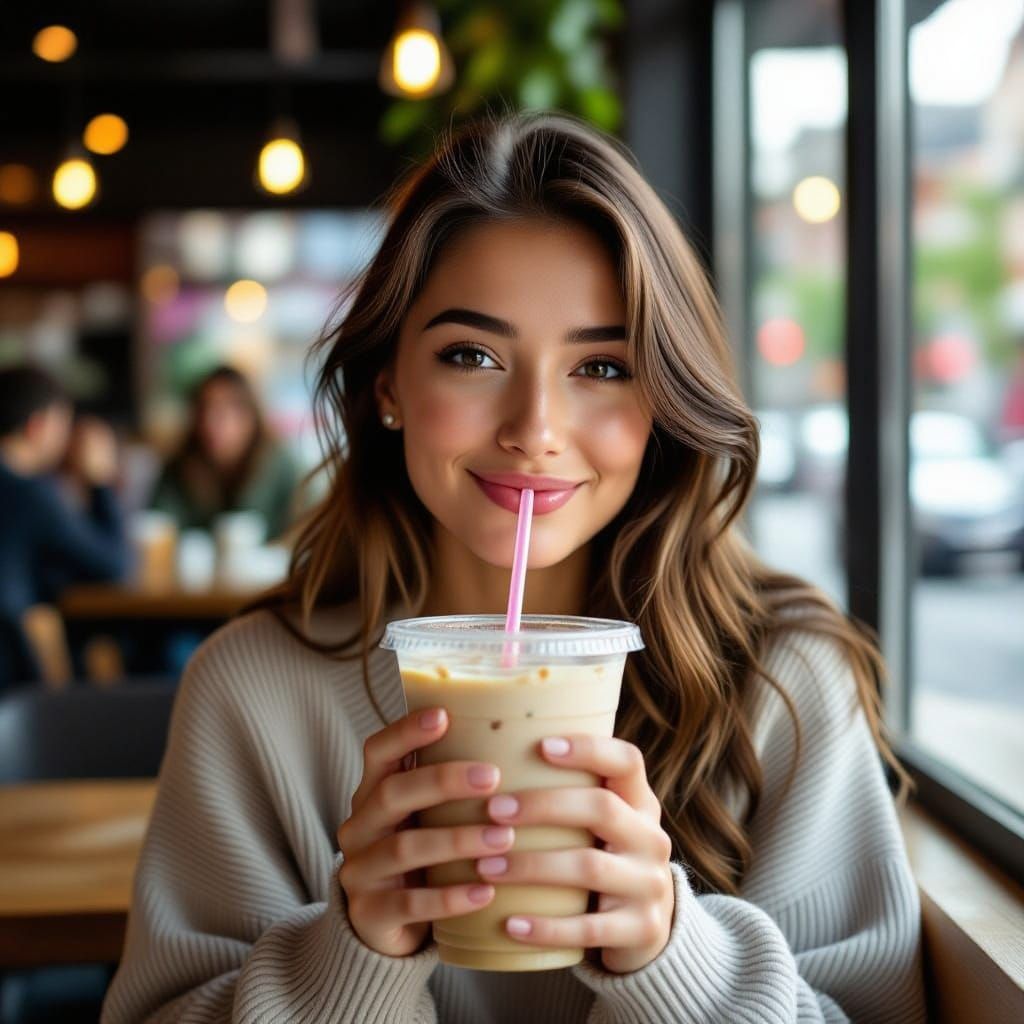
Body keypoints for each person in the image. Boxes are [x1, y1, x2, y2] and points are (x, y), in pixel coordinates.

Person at [102, 111, 925, 1022]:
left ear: (663, 402)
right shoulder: (251, 692)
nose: (534, 428)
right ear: (387, 385)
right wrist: (347, 959)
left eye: (603, 367)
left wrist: (675, 962)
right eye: (472, 355)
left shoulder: (786, 684)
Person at [0, 365, 129, 687]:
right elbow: (115, 564)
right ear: (38, 426)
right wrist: (99, 481)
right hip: (13, 680)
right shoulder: (31, 494)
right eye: (63, 425)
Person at [149, 364, 299, 540]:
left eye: (224, 411)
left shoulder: (280, 465)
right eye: (205, 409)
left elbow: (302, 530)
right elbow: (158, 525)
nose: (210, 422)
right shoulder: (180, 466)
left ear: (250, 416)